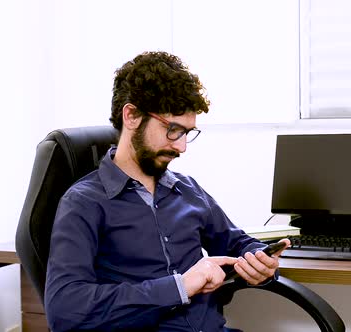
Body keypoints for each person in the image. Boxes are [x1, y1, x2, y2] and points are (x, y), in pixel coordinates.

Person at [44, 51, 290, 332]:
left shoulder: (188, 190)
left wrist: (260, 261)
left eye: (187, 132)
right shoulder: (84, 203)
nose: (182, 146)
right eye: (173, 130)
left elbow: (237, 243)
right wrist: (179, 287)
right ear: (132, 115)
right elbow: (65, 310)